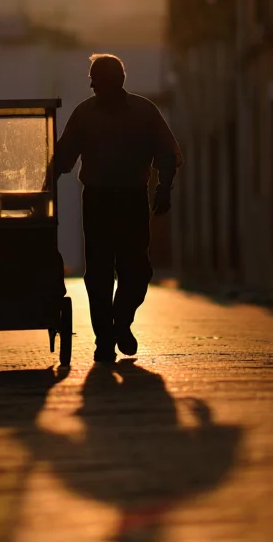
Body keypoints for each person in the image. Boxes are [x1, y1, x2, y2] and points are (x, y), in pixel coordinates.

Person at [46, 53, 183, 363]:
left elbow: (166, 153)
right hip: (97, 201)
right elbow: (64, 157)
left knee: (137, 271)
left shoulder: (144, 112)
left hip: (132, 200)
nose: (94, 88)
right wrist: (43, 185)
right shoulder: (84, 114)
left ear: (116, 82)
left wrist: (163, 189)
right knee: (98, 274)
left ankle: (120, 322)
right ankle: (104, 340)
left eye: (98, 83)